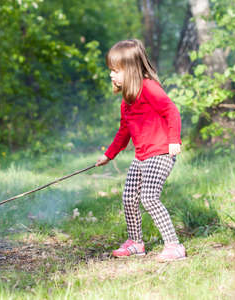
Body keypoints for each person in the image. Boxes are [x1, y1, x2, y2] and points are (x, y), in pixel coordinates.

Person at [95, 39, 186, 262]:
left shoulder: (149, 88)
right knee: (128, 198)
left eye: (116, 71)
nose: (111, 75)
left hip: (161, 153)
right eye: (111, 71)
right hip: (142, 157)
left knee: (149, 197)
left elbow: (171, 111)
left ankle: (174, 246)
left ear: (131, 70)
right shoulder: (127, 101)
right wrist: (109, 154)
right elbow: (123, 132)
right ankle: (136, 242)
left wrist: (174, 139)